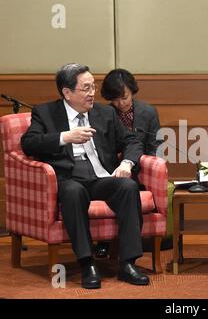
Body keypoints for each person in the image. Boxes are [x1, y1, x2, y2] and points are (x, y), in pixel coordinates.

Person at [21, 63, 150, 289]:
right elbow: (29, 143)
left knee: (128, 187)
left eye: (93, 87)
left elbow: (132, 141)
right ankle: (87, 263)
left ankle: (127, 263)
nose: (92, 93)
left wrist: (127, 164)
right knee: (72, 192)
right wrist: (65, 137)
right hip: (69, 178)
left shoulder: (105, 112)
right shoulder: (45, 113)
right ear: (67, 92)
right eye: (86, 88)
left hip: (101, 176)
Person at [94, 68, 162, 259]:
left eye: (124, 97)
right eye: (115, 99)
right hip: (110, 170)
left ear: (132, 90)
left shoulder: (148, 112)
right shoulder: (104, 113)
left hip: (139, 169)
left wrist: (142, 166)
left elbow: (153, 146)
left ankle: (132, 244)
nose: (120, 103)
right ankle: (104, 241)